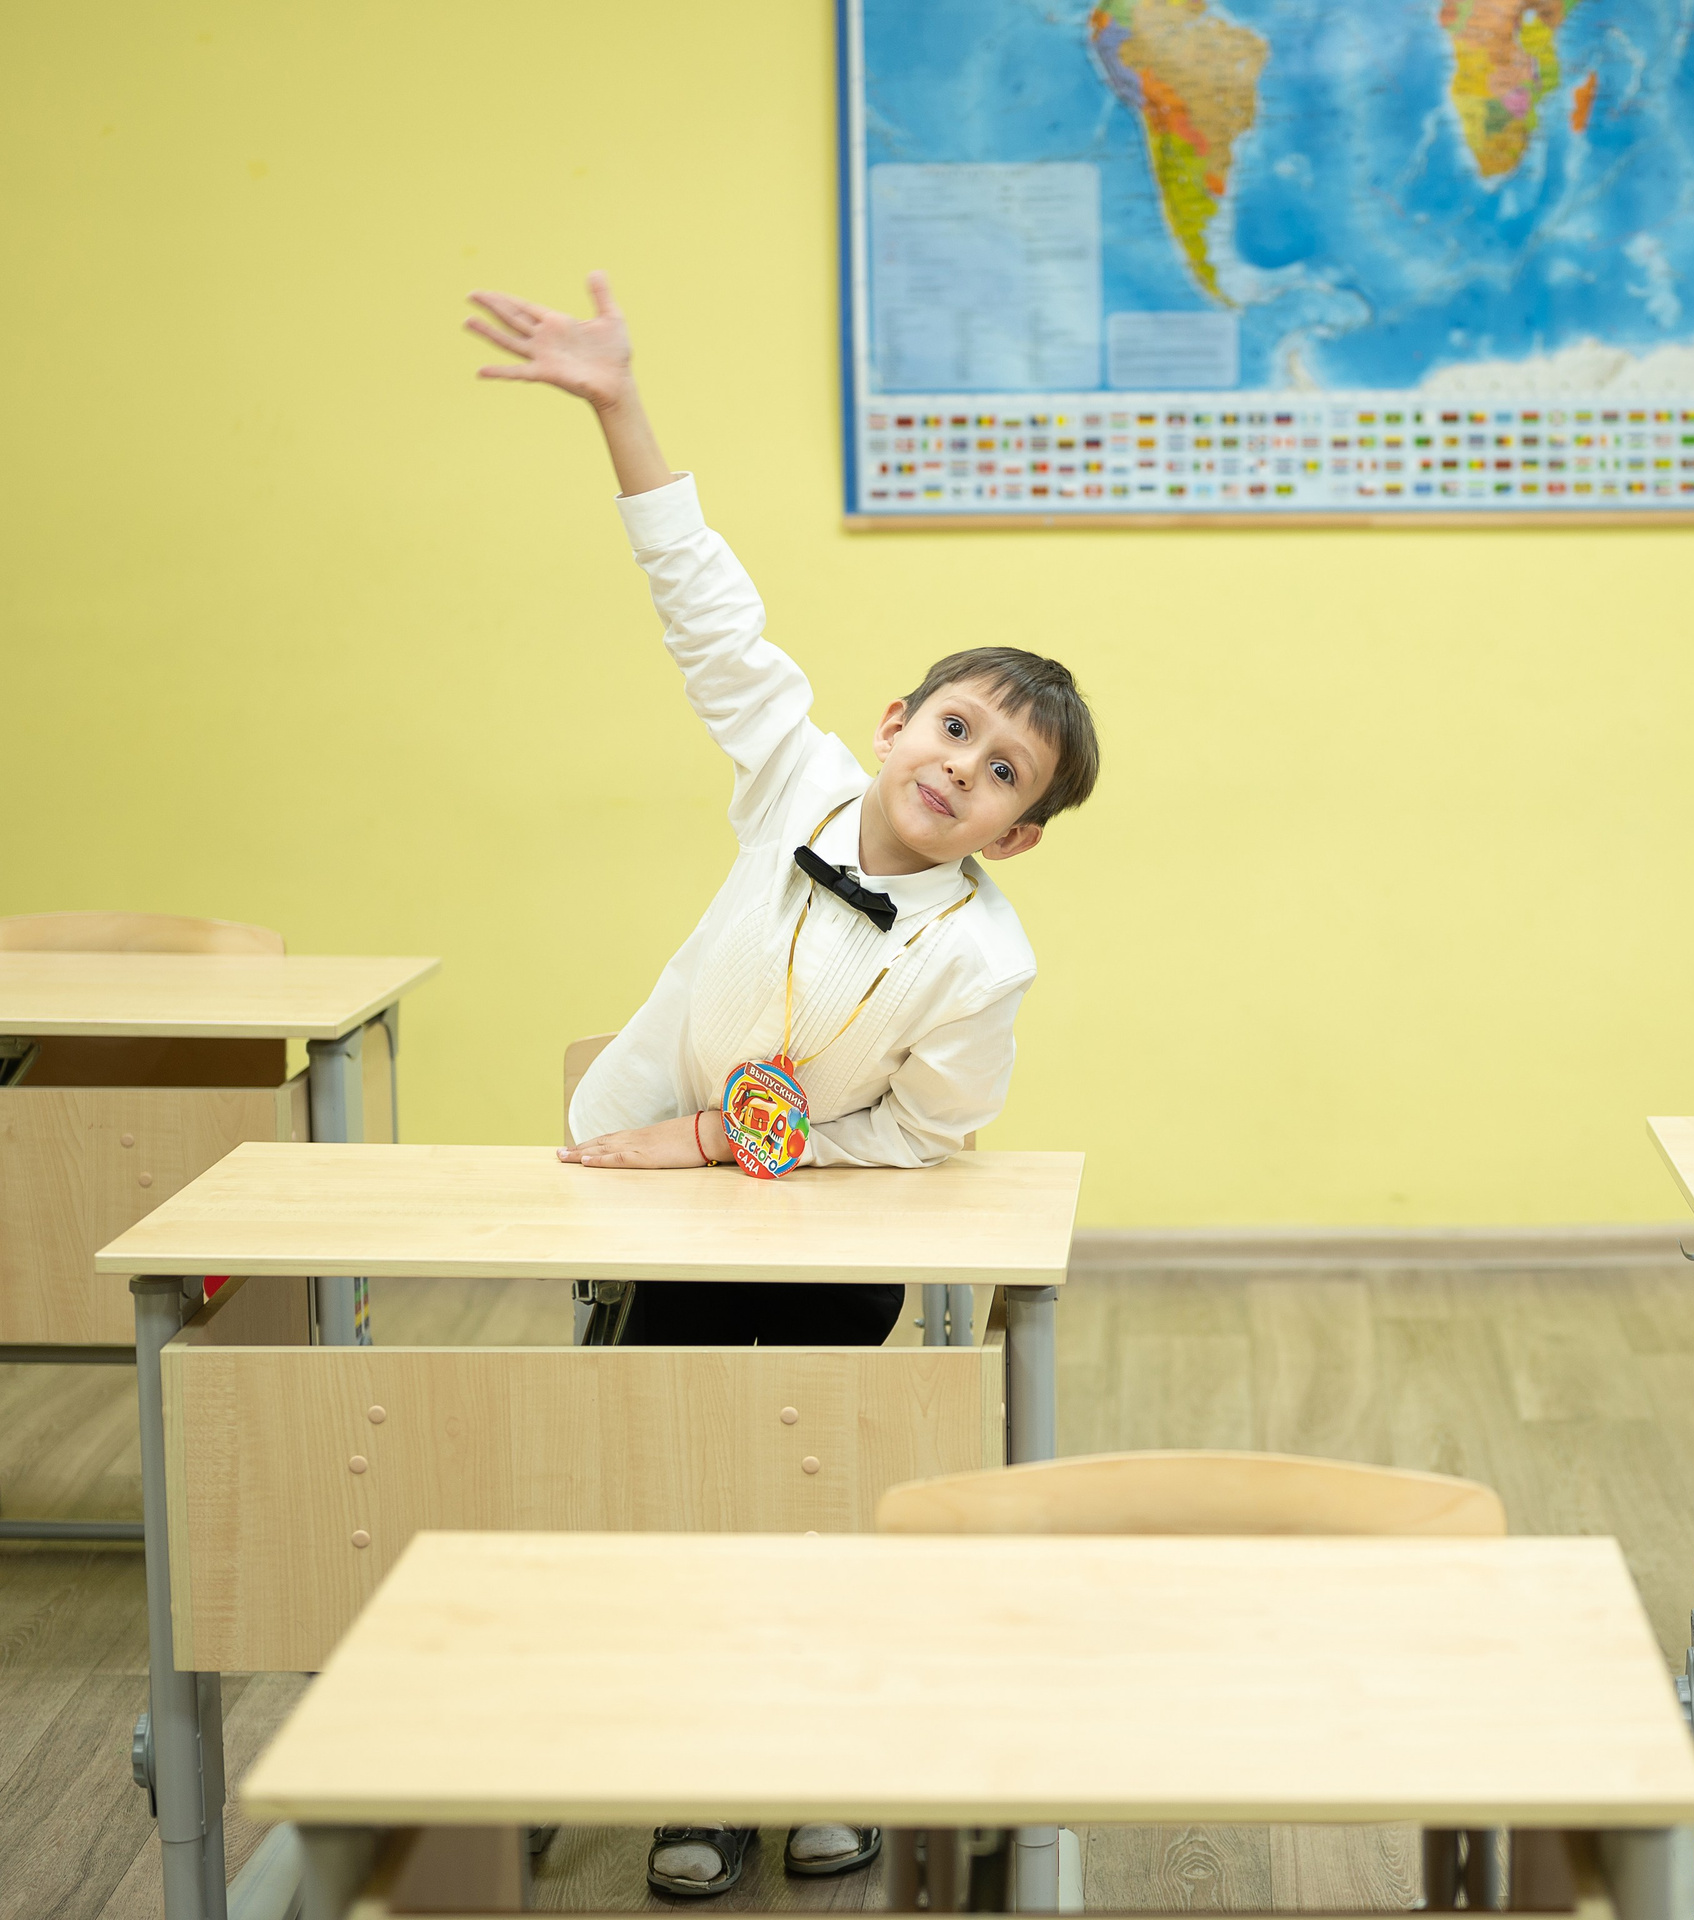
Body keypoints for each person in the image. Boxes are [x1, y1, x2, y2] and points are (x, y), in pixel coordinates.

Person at [466, 272, 1101, 1898]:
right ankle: (689, 1767)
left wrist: (734, 1143)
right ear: (896, 721)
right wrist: (619, 403)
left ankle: (816, 1741)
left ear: (1015, 835)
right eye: (953, 726)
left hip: (825, 1240)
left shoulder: (987, 962)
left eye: (1001, 772)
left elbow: (929, 1134)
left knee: (818, 1475)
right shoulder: (793, 782)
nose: (960, 764)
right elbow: (704, 601)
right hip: (658, 1219)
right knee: (681, 1476)